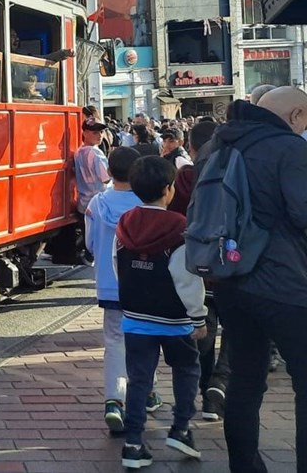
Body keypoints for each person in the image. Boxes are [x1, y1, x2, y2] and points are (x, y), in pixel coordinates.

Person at [209, 87, 307, 473]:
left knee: (245, 380)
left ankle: (245, 467)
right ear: (296, 115)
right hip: (285, 284)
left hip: (230, 281)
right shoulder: (289, 149)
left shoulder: (219, 145)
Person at [114, 156, 206, 469]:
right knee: (186, 370)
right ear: (169, 189)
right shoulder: (179, 228)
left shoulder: (125, 223)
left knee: (139, 379)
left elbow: (119, 267)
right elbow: (187, 279)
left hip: (135, 316)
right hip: (175, 319)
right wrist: (199, 317)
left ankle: (133, 443)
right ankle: (181, 428)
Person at [167, 119, 228, 421]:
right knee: (237, 330)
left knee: (204, 326)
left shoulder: (184, 177)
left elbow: (176, 219)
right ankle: (220, 384)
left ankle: (205, 388)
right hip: (232, 264)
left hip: (197, 266)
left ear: (190, 148)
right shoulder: (233, 172)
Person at [84, 146, 144, 433]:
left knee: (114, 341)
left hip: (110, 285)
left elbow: (89, 244)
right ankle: (147, 392)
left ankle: (113, 400)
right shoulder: (147, 203)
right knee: (145, 339)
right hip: (144, 283)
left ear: (109, 171)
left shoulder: (97, 203)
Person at [66, 119, 110, 265]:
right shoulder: (96, 153)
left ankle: (89, 256)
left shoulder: (78, 152)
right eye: (95, 132)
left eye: (101, 132)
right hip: (99, 201)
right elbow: (106, 178)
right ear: (84, 133)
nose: (100, 136)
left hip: (83, 202)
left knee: (88, 235)